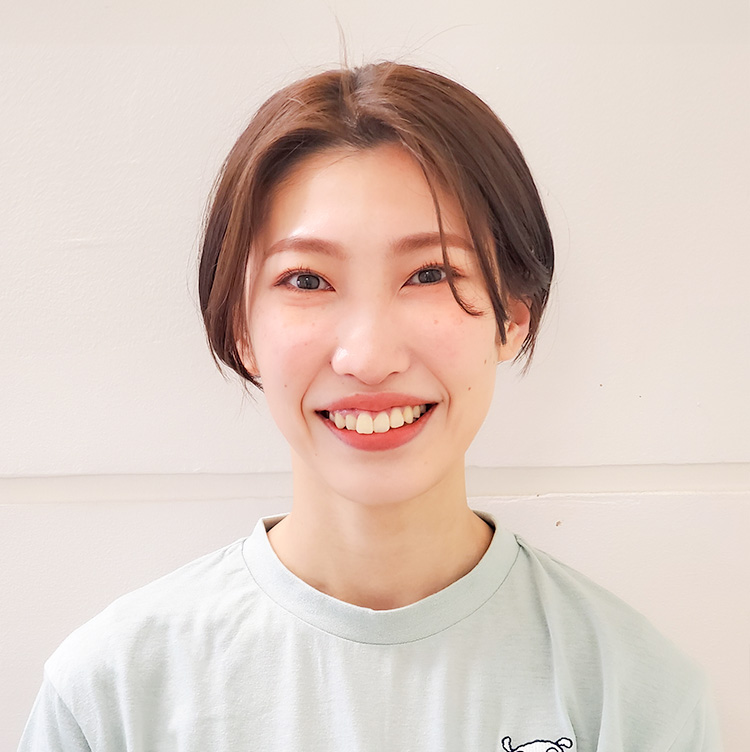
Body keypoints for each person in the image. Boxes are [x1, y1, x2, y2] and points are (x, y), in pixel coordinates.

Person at [19, 62, 721, 751]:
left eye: (430, 273)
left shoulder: (633, 699)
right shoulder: (112, 697)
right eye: (307, 280)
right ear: (240, 326)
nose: (368, 356)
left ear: (513, 313)